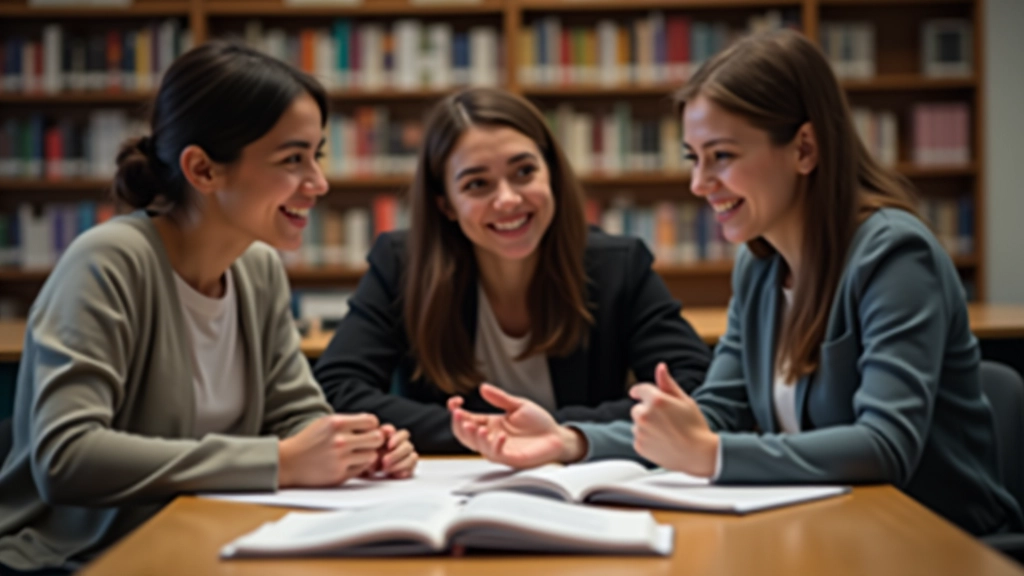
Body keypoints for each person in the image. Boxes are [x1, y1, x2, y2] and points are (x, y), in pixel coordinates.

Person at [446, 30, 1024, 537]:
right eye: (693, 157)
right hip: (831, 529)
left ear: (804, 148)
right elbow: (716, 414)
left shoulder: (894, 255)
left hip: (939, 543)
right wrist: (570, 442)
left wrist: (711, 454)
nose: (700, 184)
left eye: (721, 156)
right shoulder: (761, 264)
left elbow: (884, 445)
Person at [0, 41, 417, 575]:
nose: (319, 183)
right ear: (202, 170)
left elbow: (294, 412)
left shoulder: (257, 269)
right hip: (76, 557)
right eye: (293, 159)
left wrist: (353, 448)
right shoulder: (108, 261)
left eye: (318, 155)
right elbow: (68, 456)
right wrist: (280, 463)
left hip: (206, 536)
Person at [314, 87, 712, 453]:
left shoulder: (618, 265)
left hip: (578, 478)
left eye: (524, 172)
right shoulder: (402, 263)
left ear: (551, 174)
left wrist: (559, 436)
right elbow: (340, 389)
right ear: (446, 205)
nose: (508, 199)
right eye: (477, 185)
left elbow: (690, 387)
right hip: (451, 485)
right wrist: (478, 433)